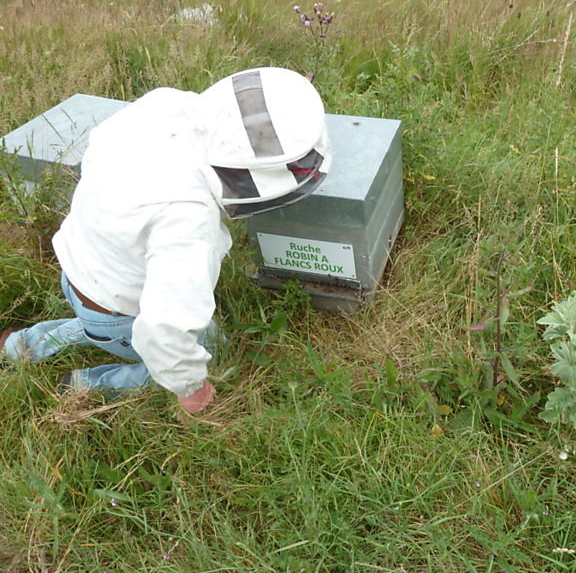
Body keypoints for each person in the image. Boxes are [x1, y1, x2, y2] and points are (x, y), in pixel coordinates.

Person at [0, 67, 331, 414]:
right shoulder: (187, 220)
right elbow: (164, 328)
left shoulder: (165, 104)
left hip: (77, 269)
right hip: (117, 307)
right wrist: (191, 387)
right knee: (212, 349)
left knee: (98, 319)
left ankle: (20, 346)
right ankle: (87, 386)